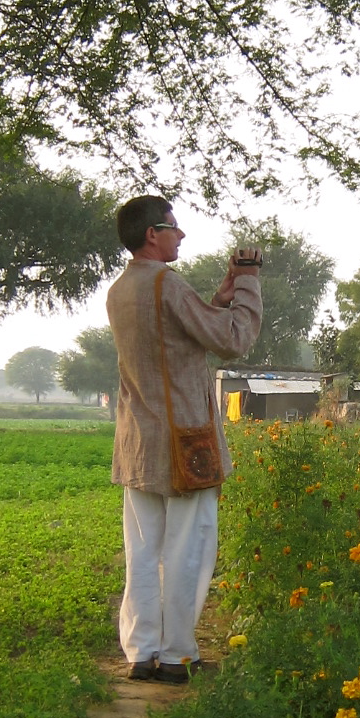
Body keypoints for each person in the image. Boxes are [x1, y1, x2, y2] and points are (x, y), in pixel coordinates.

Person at [105, 197, 262, 681]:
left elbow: (184, 334)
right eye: (173, 227)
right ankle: (177, 655)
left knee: (144, 550)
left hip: (138, 442)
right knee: (187, 549)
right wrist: (250, 281)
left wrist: (222, 292)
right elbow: (232, 340)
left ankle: (142, 652)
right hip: (185, 441)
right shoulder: (166, 285)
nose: (180, 235)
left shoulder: (121, 289)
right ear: (152, 234)